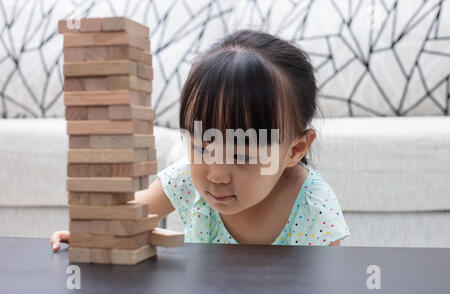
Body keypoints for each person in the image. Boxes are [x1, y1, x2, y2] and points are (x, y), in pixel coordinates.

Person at [51, 29, 350, 251]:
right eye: (202, 146)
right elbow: (127, 217)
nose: (216, 174)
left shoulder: (314, 209)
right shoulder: (186, 180)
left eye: (242, 155)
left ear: (295, 150)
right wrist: (93, 233)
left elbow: (326, 287)